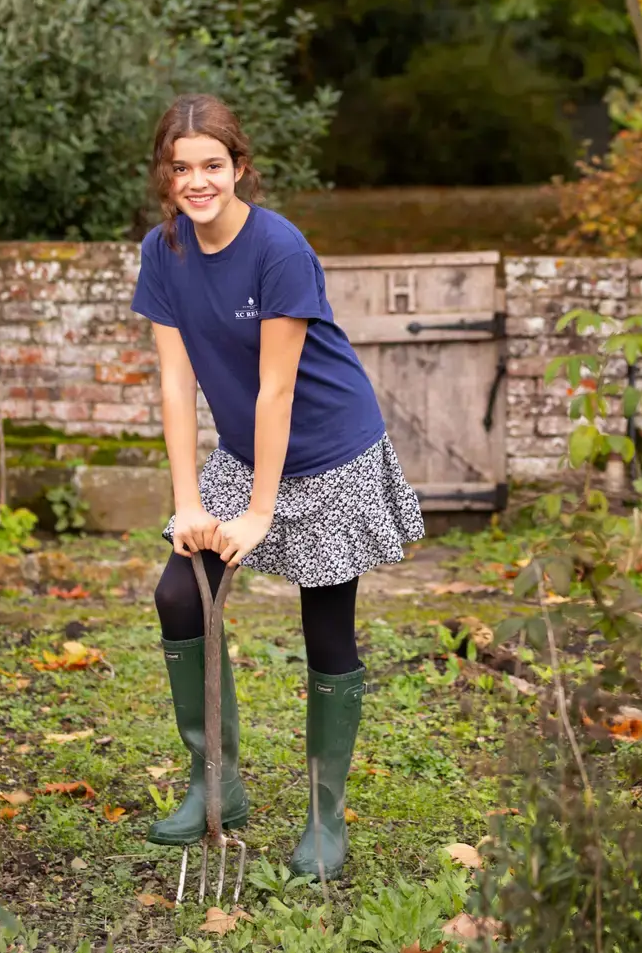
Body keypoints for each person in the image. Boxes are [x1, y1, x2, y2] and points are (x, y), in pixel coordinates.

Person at [130, 94, 424, 879]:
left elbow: (276, 393)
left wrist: (259, 513)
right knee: (179, 596)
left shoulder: (280, 248)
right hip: (243, 445)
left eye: (212, 166)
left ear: (239, 167)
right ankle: (216, 781)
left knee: (324, 627)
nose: (198, 182)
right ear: (167, 174)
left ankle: (325, 821)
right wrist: (190, 502)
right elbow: (172, 380)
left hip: (329, 448)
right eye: (182, 168)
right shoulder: (164, 253)